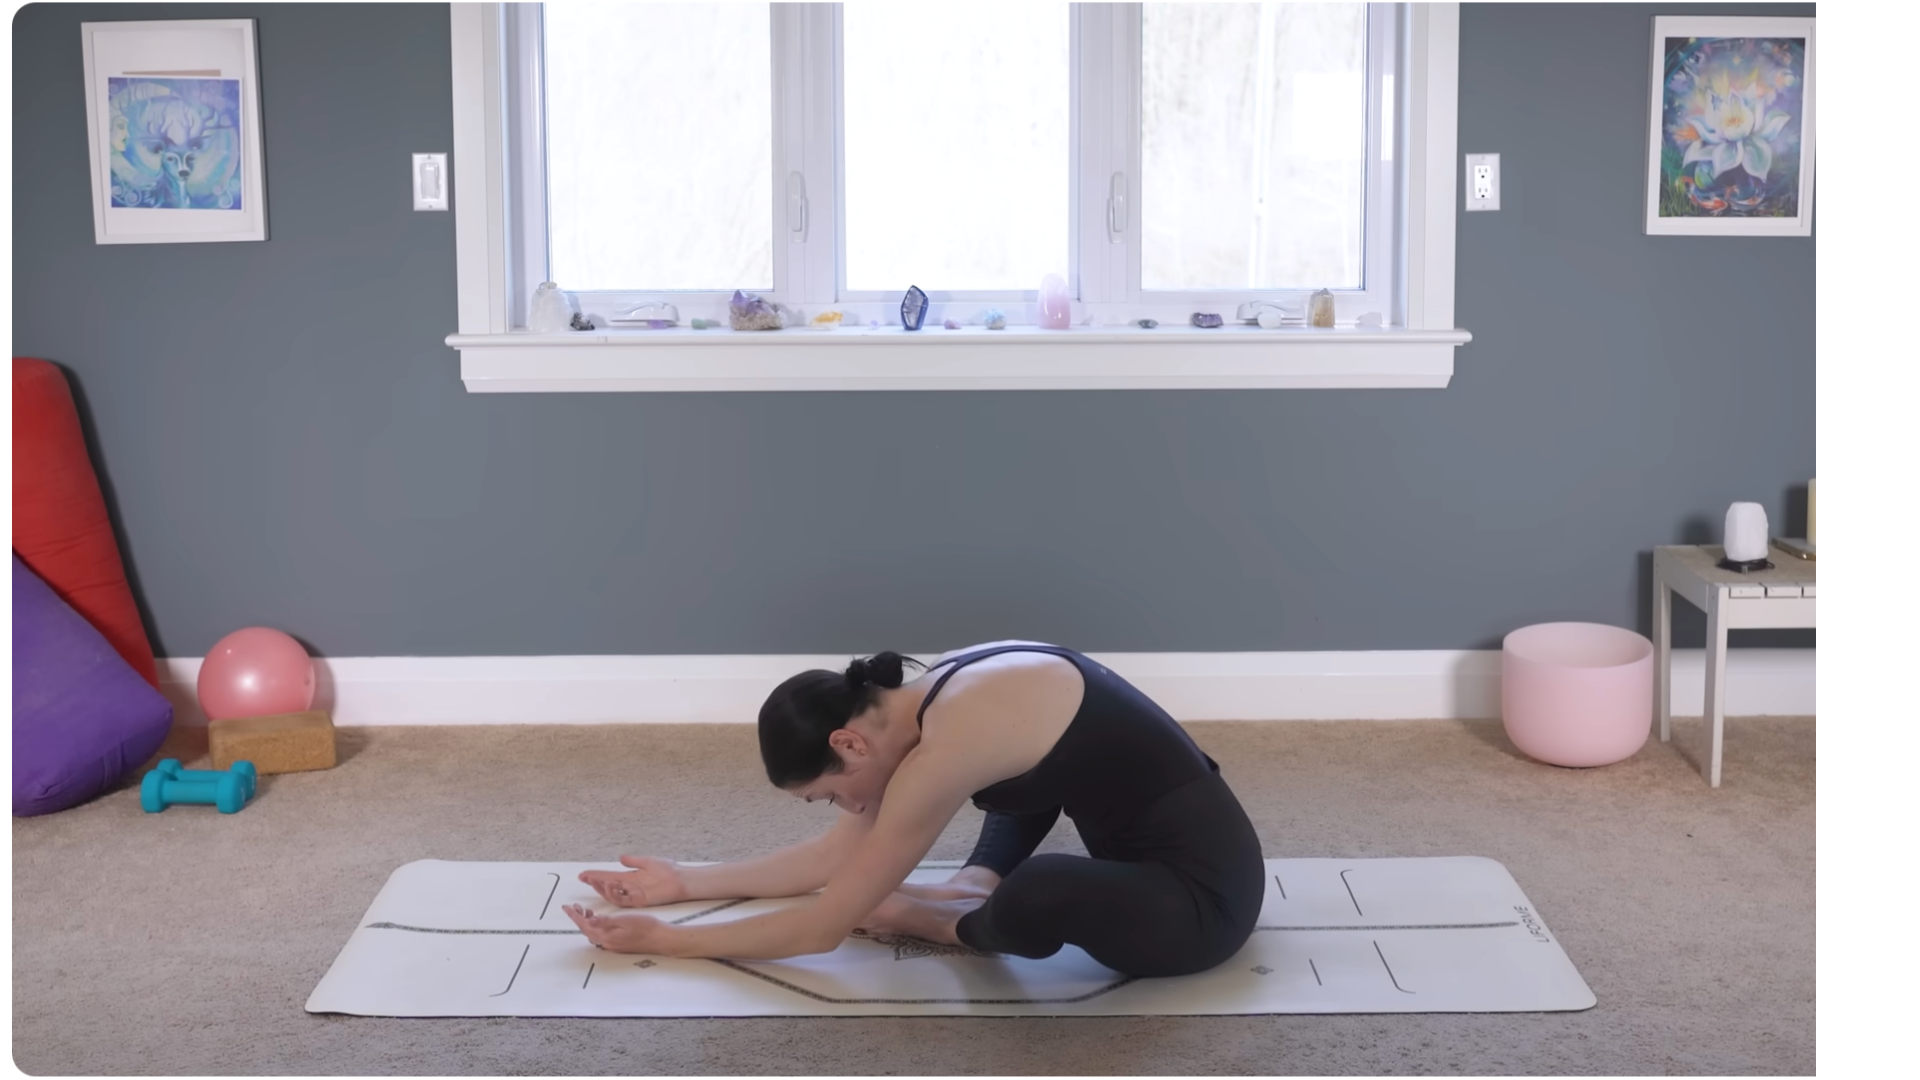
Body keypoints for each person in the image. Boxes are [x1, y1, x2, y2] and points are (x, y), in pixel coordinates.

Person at [562, 641, 1265, 977]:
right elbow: (838, 857)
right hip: (1144, 859)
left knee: (1046, 886)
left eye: (831, 792)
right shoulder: (929, 692)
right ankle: (971, 881)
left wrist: (668, 939)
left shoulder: (952, 740)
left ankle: (949, 916)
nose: (845, 805)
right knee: (1022, 783)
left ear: (847, 743)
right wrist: (685, 880)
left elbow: (822, 927)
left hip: (1203, 909)